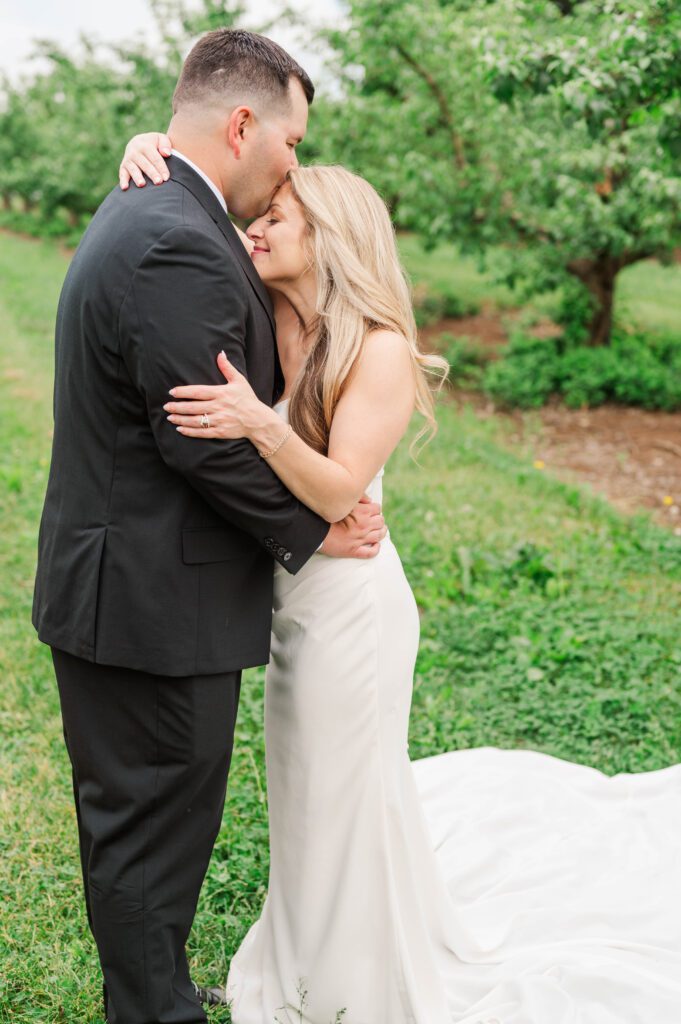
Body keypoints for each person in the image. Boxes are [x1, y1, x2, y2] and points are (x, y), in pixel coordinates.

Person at [118, 130, 681, 1021]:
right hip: (293, 599)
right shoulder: (265, 319)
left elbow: (341, 489)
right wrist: (150, 142)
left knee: (340, 797)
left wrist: (259, 425)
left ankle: (348, 989)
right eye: (260, 214)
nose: (254, 229)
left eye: (274, 218)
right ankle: (305, 970)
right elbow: (193, 184)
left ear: (328, 235)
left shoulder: (374, 348)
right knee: (304, 799)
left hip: (351, 610)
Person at [32, 29, 387, 1024]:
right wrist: (319, 529)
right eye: (290, 140)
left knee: (150, 828)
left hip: (140, 593)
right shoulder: (177, 234)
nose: (296, 163)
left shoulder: (163, 208)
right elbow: (203, 441)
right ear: (242, 124)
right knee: (149, 833)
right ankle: (154, 1009)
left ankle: (151, 991)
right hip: (149, 606)